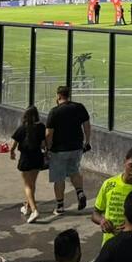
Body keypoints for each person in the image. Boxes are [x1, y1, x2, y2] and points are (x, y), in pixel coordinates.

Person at [46, 85, 91, 215]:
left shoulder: (54, 112)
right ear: (68, 95)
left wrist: (48, 148)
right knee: (74, 171)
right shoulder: (79, 107)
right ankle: (80, 192)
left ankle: (60, 206)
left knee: (59, 178)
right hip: (77, 147)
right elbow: (87, 125)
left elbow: (49, 133)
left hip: (59, 150)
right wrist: (87, 142)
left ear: (58, 96)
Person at [11, 105, 47, 223]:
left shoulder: (22, 129)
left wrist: (12, 153)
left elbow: (14, 145)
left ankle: (34, 210)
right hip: (38, 158)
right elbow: (43, 145)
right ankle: (27, 206)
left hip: (26, 159)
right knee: (32, 184)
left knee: (27, 185)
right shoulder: (41, 127)